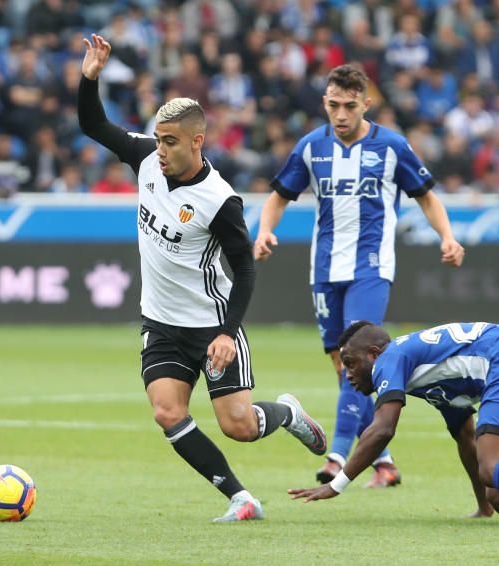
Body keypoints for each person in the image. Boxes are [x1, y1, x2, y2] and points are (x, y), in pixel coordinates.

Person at [77, 34, 327, 523]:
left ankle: (289, 414)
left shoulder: (219, 200)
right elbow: (93, 123)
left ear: (198, 141)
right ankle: (241, 498)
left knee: (240, 426)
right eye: (158, 139)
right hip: (161, 322)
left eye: (170, 141)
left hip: (210, 325)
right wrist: (90, 77)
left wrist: (227, 333)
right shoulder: (146, 157)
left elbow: (245, 267)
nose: (161, 149)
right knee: (167, 412)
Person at [255, 64, 465, 488]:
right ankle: (384, 462)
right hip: (324, 268)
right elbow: (279, 196)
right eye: (334, 105)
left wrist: (447, 237)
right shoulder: (312, 147)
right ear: (325, 104)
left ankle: (336, 455)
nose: (341, 114)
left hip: (371, 267)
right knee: (344, 366)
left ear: (366, 104)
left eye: (350, 106)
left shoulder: (391, 147)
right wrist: (264, 230)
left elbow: (426, 197)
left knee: (360, 354)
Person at [288, 321, 499, 517]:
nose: (348, 373)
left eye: (350, 362)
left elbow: (383, 429)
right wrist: (484, 506)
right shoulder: (431, 372)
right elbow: (466, 438)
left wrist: (338, 484)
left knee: (493, 466)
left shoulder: (390, 358)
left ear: (373, 353)